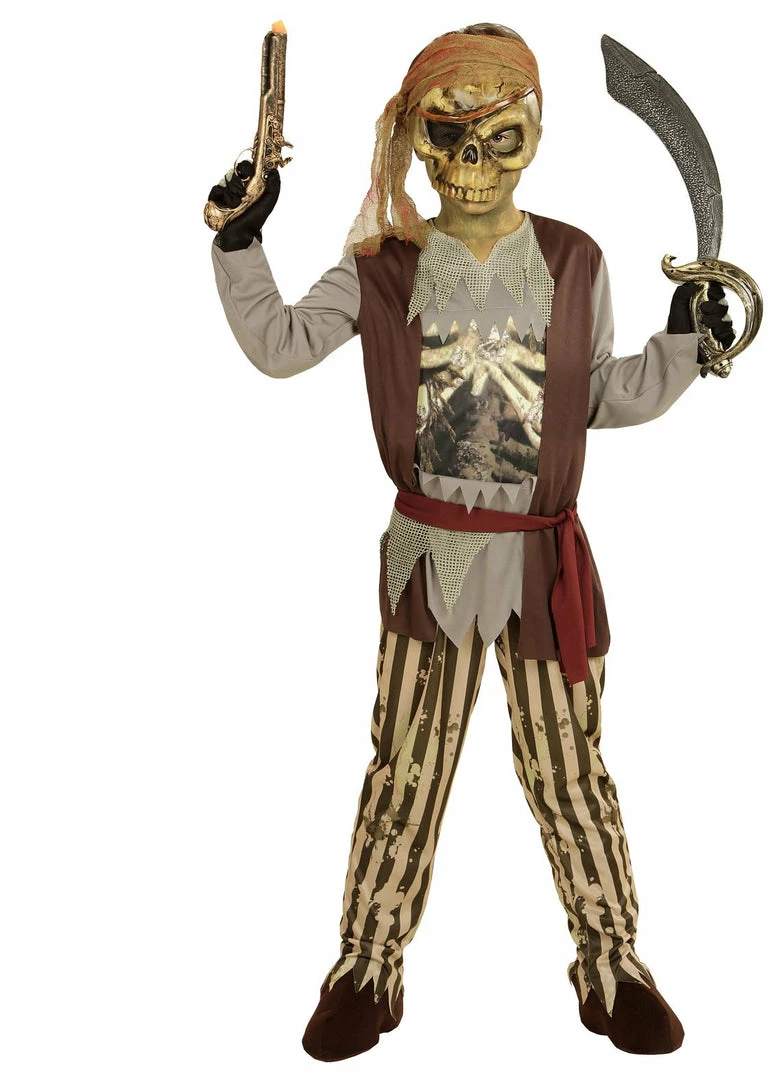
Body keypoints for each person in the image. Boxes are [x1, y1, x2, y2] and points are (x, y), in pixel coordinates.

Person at [207, 22, 734, 1061]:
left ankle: (612, 964)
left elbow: (599, 397)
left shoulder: (575, 260)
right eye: (448, 137)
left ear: (533, 135)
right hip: (430, 561)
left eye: (500, 135)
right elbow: (279, 345)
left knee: (569, 770)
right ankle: (367, 965)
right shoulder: (382, 267)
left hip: (541, 563)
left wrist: (683, 344)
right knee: (405, 768)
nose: (473, 162)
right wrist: (239, 243)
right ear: (415, 141)